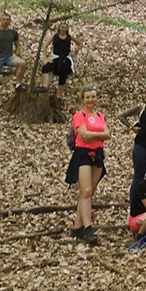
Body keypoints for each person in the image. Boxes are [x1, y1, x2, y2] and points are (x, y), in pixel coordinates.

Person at [67, 85, 109, 245]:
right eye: (88, 97)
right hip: (83, 154)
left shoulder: (99, 115)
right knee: (85, 191)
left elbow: (108, 134)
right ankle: (88, 228)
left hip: (97, 154)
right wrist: (99, 135)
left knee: (89, 193)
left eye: (93, 97)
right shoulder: (79, 115)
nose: (91, 100)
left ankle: (77, 227)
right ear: (83, 99)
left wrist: (94, 135)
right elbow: (83, 135)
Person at [0, 11, 26, 109]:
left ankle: (18, 84)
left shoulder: (13, 33)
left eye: (7, 20)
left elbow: (18, 44)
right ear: (0, 20)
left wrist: (17, 52)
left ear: (10, 21)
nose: (5, 21)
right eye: (4, 19)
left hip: (9, 56)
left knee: (22, 63)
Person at [40, 20, 81, 89]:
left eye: (65, 27)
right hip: (56, 57)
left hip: (66, 58)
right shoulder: (55, 37)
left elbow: (80, 44)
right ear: (59, 28)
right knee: (45, 68)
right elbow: (45, 46)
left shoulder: (69, 37)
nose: (64, 29)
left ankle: (59, 93)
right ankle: (45, 86)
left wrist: (75, 51)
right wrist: (46, 57)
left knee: (64, 72)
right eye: (62, 27)